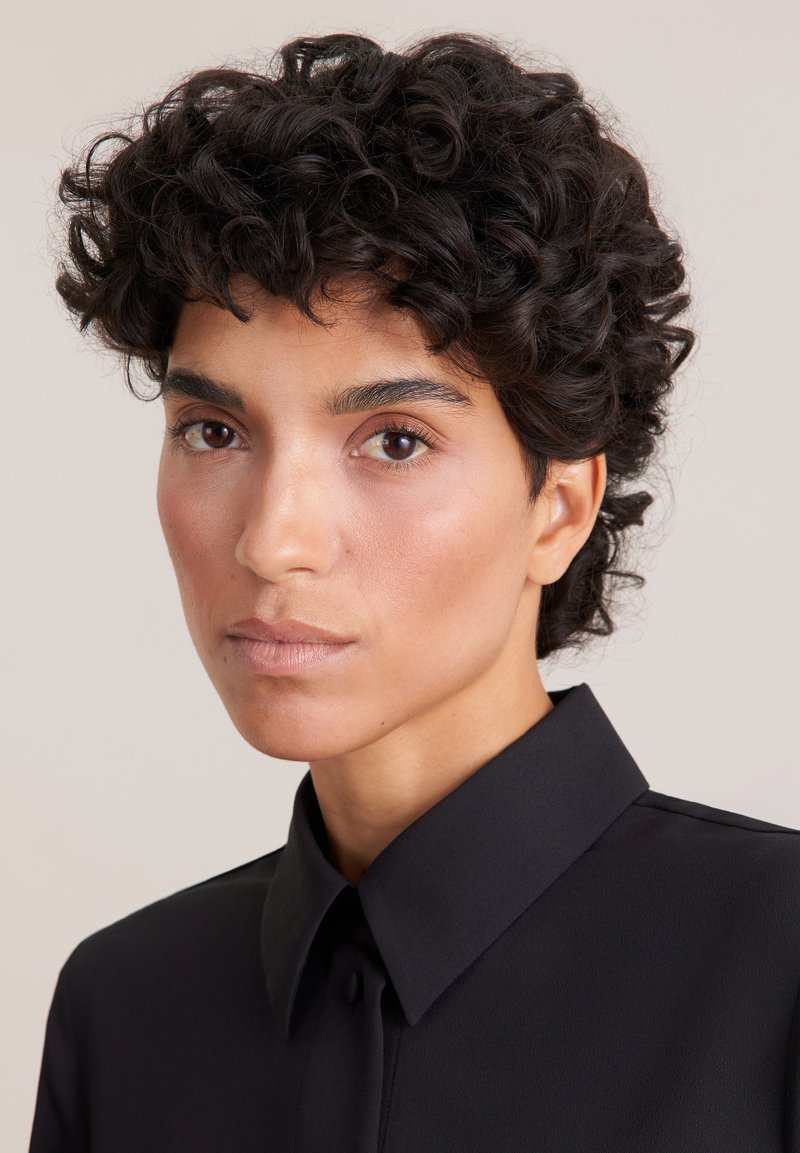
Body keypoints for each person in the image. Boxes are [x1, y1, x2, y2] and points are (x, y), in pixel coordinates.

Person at [29, 30, 800, 1152]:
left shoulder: (773, 967)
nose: (273, 541)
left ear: (558, 507)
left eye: (393, 440)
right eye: (214, 430)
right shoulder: (126, 1011)